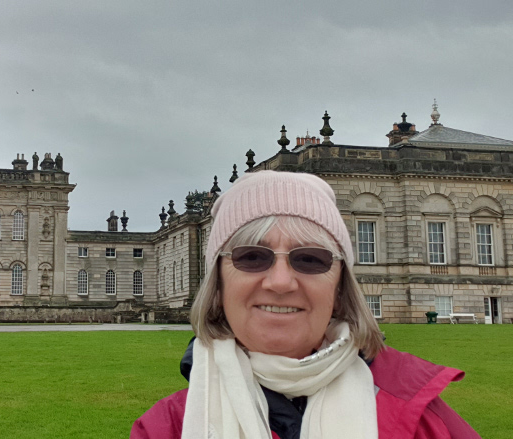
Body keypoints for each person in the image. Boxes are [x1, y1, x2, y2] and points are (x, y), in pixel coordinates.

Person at [131, 171, 480, 439]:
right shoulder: (165, 427)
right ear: (218, 286)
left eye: (310, 259)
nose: (281, 282)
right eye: (251, 256)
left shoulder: (421, 414)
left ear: (341, 287)